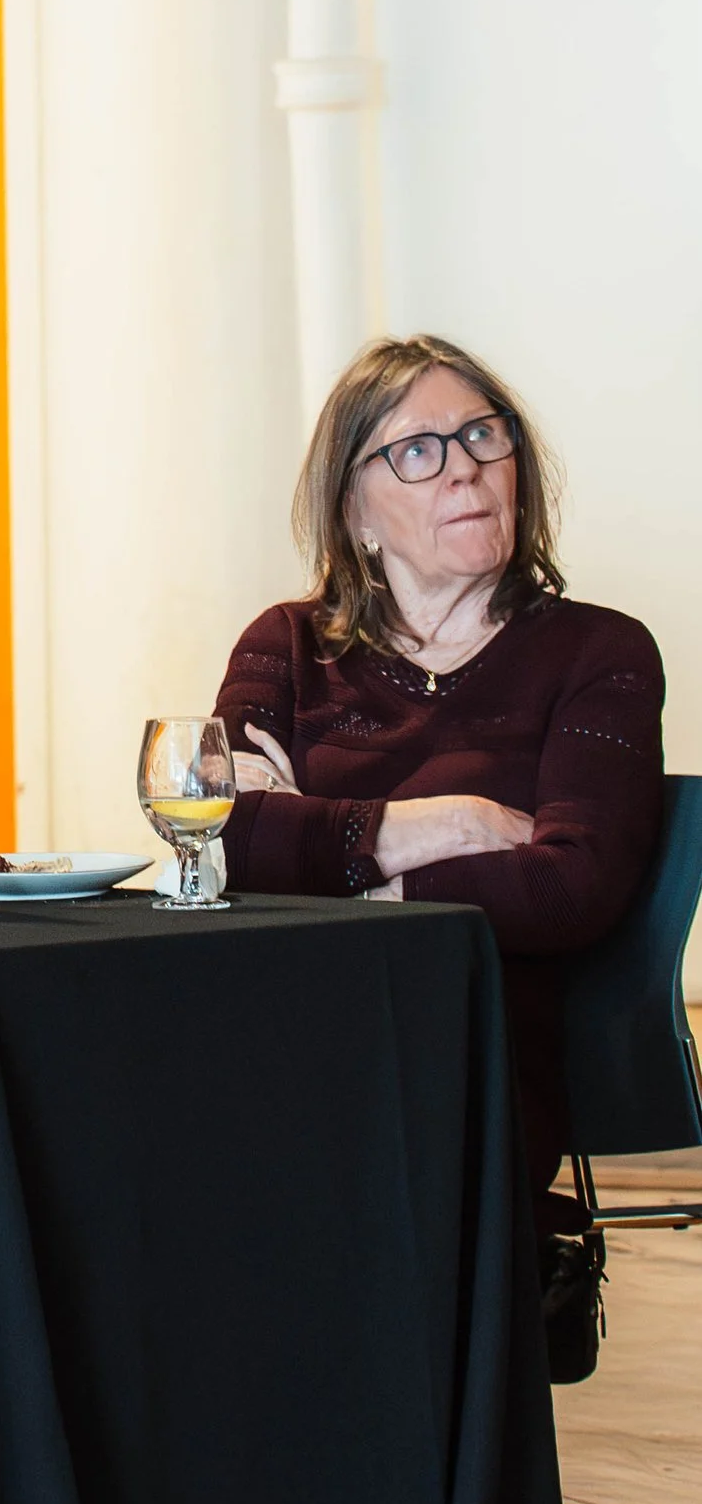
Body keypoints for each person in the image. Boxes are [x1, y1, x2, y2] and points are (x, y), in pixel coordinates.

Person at [214, 334, 663, 1247]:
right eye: (417, 451)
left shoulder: (599, 653)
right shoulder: (288, 647)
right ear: (355, 510)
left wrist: (336, 866)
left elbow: (569, 888)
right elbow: (224, 841)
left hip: (471, 1049)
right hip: (289, 1026)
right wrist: (447, 824)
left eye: (482, 437)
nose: (464, 472)